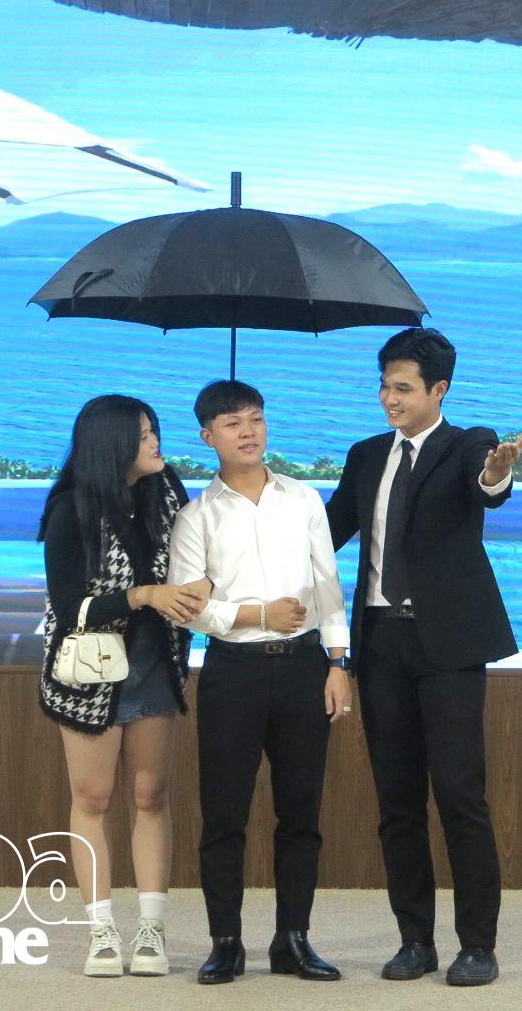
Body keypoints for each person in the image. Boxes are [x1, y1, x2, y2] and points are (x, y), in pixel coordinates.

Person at [325, 328, 522, 987]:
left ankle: (478, 946)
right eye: (384, 386)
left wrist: (497, 472)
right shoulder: (364, 456)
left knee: (461, 796)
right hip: (382, 644)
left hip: (448, 647)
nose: (389, 399)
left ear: (438, 390)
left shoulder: (469, 444)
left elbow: (487, 485)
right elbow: (325, 533)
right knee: (397, 802)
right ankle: (415, 940)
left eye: (404, 388)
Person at [167, 379, 353, 985]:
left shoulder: (303, 499)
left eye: (256, 418)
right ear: (207, 437)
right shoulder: (195, 516)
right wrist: (254, 615)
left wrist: (338, 662)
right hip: (233, 673)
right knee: (224, 814)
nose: (248, 431)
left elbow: (327, 583)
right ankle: (225, 943)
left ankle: (293, 939)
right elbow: (189, 607)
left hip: (304, 668)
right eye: (232, 423)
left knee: (301, 812)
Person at [38, 394, 210, 978]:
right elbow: (70, 610)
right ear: (111, 446)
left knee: (150, 796)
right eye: (142, 436)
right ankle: (102, 931)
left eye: (153, 430)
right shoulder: (71, 508)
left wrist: (200, 589)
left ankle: (151, 930)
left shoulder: (167, 491)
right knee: (92, 799)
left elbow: (197, 562)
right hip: (89, 673)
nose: (155, 442)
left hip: (154, 664)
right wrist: (142, 595)